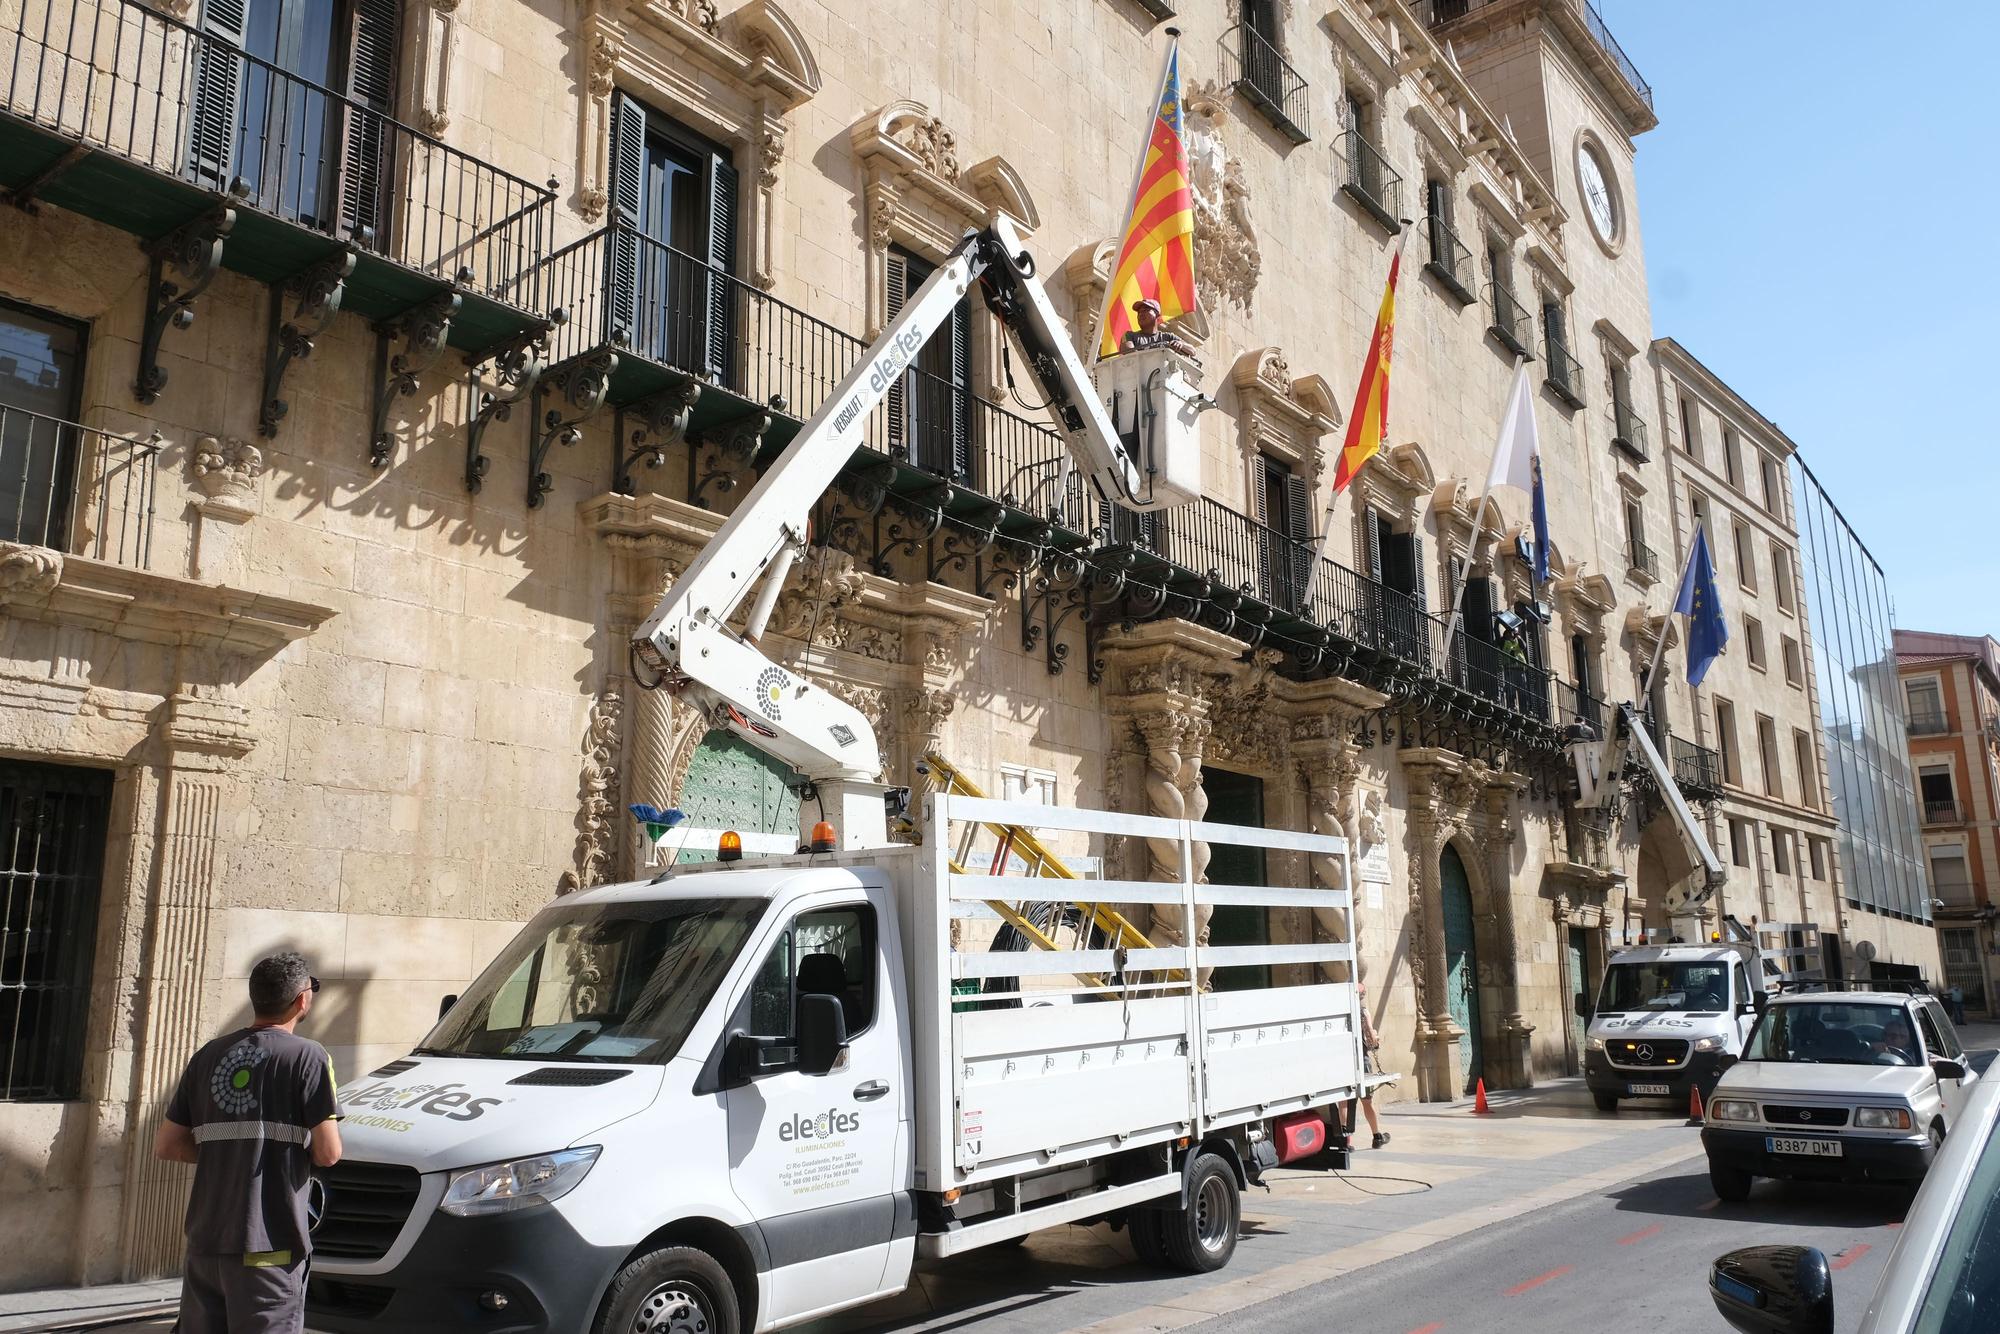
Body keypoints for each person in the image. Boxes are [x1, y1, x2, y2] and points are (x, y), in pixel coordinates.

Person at [155, 952, 342, 1334]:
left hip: (206, 1245)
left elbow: (168, 1145)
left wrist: (227, 1155)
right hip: (268, 1248)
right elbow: (329, 1151)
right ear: (302, 999)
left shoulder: (207, 1055)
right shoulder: (308, 1057)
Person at [1357, 980, 1390, 1149]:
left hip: (1344, 1063)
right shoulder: (1363, 1012)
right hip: (1361, 1061)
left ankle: (1344, 1141)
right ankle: (1377, 1135)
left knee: (1343, 1102)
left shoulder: (1343, 1012)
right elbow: (1370, 1034)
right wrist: (1375, 1040)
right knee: (1367, 1101)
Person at [1117, 297, 1198, 358]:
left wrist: (1181, 344)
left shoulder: (1168, 337)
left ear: (1157, 315)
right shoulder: (1129, 335)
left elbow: (1193, 351)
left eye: (1145, 310)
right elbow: (1129, 352)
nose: (1141, 314)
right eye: (1139, 312)